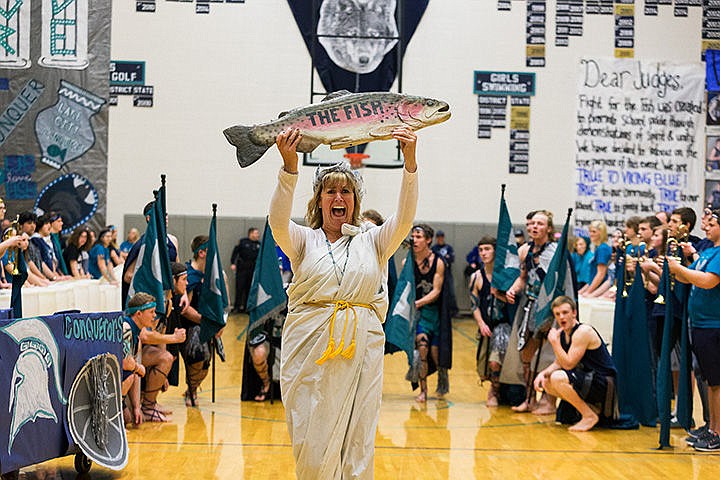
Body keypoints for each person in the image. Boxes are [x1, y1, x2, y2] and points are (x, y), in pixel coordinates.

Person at [269, 126, 417, 479]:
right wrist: (290, 169)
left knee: (359, 434)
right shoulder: (305, 240)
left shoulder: (373, 242)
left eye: (346, 191)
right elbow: (277, 222)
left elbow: (406, 219)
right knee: (312, 433)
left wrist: (409, 162)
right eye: (331, 191)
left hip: (361, 348)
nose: (340, 197)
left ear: (355, 201)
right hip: (310, 349)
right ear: (319, 200)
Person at [668, 209, 720, 451]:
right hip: (699, 324)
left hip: (713, 325)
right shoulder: (708, 251)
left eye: (710, 224)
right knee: (711, 381)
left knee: (717, 382)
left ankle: (718, 432)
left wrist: (680, 270)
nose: (705, 228)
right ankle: (712, 427)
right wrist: (676, 266)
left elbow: (708, 281)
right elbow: (689, 278)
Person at [533, 296, 618, 432]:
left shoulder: (583, 332)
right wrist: (542, 374)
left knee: (557, 377)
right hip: (589, 378)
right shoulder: (562, 334)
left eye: (565, 313)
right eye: (557, 314)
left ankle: (589, 416)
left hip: (604, 382)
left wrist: (554, 343)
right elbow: (559, 362)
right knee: (547, 381)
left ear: (574, 313)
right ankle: (591, 408)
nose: (561, 317)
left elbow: (568, 365)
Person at [502, 210, 558, 414]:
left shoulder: (555, 250)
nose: (534, 227)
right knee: (526, 354)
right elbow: (523, 277)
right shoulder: (524, 250)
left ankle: (549, 401)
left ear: (549, 228)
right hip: (530, 304)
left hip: (550, 308)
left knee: (550, 355)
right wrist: (513, 289)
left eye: (540, 224)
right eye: (532, 223)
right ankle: (530, 397)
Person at [468, 236, 511, 406]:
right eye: (481, 250)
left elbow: (513, 299)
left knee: (495, 362)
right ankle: (495, 387)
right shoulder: (476, 277)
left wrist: (499, 294)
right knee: (484, 366)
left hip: (504, 325)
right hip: (486, 325)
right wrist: (481, 323)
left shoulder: (506, 275)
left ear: (495, 251)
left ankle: (495, 390)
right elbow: (474, 304)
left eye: (487, 249)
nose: (483, 253)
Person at [411, 223, 448, 402]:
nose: (414, 240)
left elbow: (436, 291)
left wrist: (419, 302)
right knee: (422, 348)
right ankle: (423, 389)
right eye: (413, 236)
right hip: (419, 316)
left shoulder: (438, 262)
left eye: (418, 237)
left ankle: (442, 379)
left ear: (428, 240)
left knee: (435, 353)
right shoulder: (408, 262)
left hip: (435, 313)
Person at [121, 292, 154, 426]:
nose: (154, 316)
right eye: (151, 312)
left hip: (118, 378)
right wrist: (138, 367)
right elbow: (125, 363)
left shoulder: (137, 335)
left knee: (129, 419)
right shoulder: (126, 327)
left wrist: (136, 407)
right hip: (105, 379)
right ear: (139, 314)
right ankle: (111, 416)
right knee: (132, 374)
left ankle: (121, 409)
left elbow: (135, 373)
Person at [230, 227, 261, 313]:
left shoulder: (259, 244)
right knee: (239, 288)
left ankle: (247, 308)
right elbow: (235, 253)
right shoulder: (243, 242)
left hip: (252, 269)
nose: (258, 235)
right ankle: (237, 307)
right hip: (242, 269)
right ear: (250, 234)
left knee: (249, 289)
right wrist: (233, 263)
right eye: (256, 233)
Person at [579, 220, 612, 297]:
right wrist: (582, 291)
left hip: (600, 289)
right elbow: (593, 277)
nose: (591, 234)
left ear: (601, 232)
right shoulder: (599, 248)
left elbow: (601, 274)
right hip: (595, 287)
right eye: (590, 231)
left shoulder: (602, 249)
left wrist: (589, 292)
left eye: (594, 232)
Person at [432, 229, 458, 316]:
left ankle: (454, 311)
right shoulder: (434, 248)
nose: (440, 239)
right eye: (438, 237)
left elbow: (451, 259)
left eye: (441, 237)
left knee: (451, 291)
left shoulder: (448, 248)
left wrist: (445, 259)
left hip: (447, 273)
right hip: (436, 272)